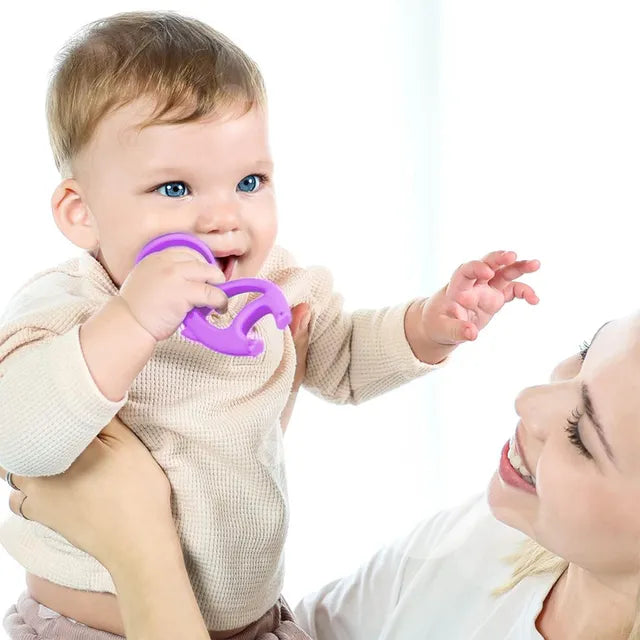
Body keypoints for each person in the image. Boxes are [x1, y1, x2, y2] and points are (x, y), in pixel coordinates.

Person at [0, 9, 540, 640]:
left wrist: (429, 325)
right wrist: (131, 319)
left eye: (249, 181)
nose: (224, 217)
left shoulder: (274, 288)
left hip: (256, 623)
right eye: (174, 189)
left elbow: (342, 359)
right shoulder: (70, 305)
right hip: (84, 627)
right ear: (81, 212)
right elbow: (18, 435)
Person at [6, 304, 640, 638]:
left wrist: (140, 556)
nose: (528, 401)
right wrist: (239, 449)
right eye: (586, 351)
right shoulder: (487, 541)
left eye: (582, 436)